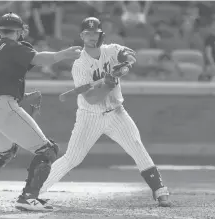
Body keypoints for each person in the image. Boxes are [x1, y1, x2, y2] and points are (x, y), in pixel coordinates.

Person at [32, 17, 171, 207]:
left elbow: (129, 54)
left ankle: (160, 190)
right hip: (91, 116)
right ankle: (34, 191)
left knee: (137, 147)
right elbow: (91, 98)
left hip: (117, 112)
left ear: (100, 34)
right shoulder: (80, 64)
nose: (91, 37)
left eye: (95, 33)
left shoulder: (110, 50)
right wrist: (110, 83)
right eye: (87, 34)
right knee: (73, 158)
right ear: (82, 36)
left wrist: (125, 65)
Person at [0, 12, 81, 211]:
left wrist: (20, 96)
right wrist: (63, 54)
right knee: (47, 150)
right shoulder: (11, 46)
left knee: (4, 150)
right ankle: (28, 198)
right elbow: (40, 58)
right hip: (3, 107)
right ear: (18, 31)